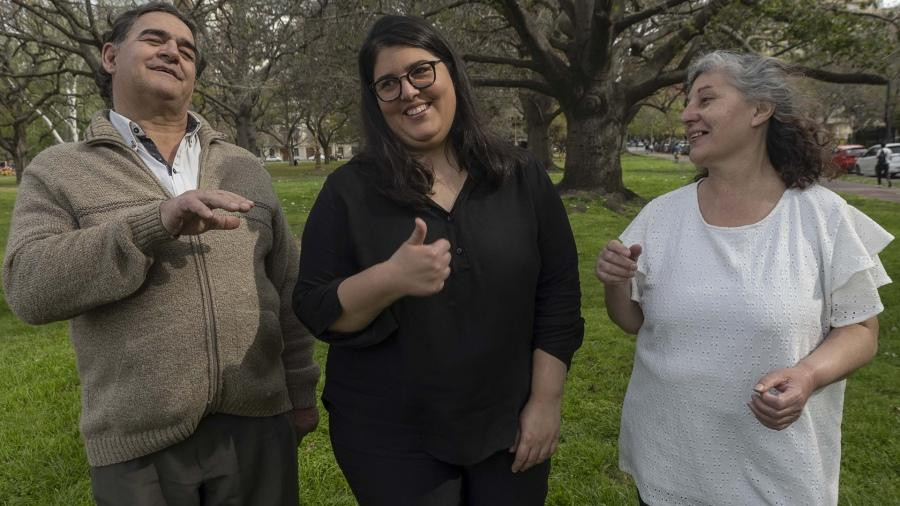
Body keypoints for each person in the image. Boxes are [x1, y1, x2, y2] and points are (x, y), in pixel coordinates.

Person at [2, 3, 319, 504]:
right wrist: (155, 224)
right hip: (138, 447)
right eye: (155, 40)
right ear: (110, 56)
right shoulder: (58, 168)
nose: (173, 52)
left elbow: (288, 289)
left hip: (258, 426)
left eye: (187, 49)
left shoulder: (244, 167)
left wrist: (301, 393)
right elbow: (29, 288)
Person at [293, 15, 583, 506]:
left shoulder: (519, 176)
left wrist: (545, 402)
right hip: (389, 431)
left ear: (451, 74)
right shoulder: (350, 191)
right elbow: (315, 306)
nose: (408, 92)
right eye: (388, 84)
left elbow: (558, 295)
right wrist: (390, 278)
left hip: (506, 418)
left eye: (420, 72)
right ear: (375, 100)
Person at [596, 51, 892, 506]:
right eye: (688, 102)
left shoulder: (821, 216)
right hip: (670, 462)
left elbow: (860, 328)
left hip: (776, 473)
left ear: (759, 109)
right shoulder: (661, 216)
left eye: (706, 99)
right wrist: (616, 282)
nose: (687, 114)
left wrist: (809, 374)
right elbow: (632, 321)